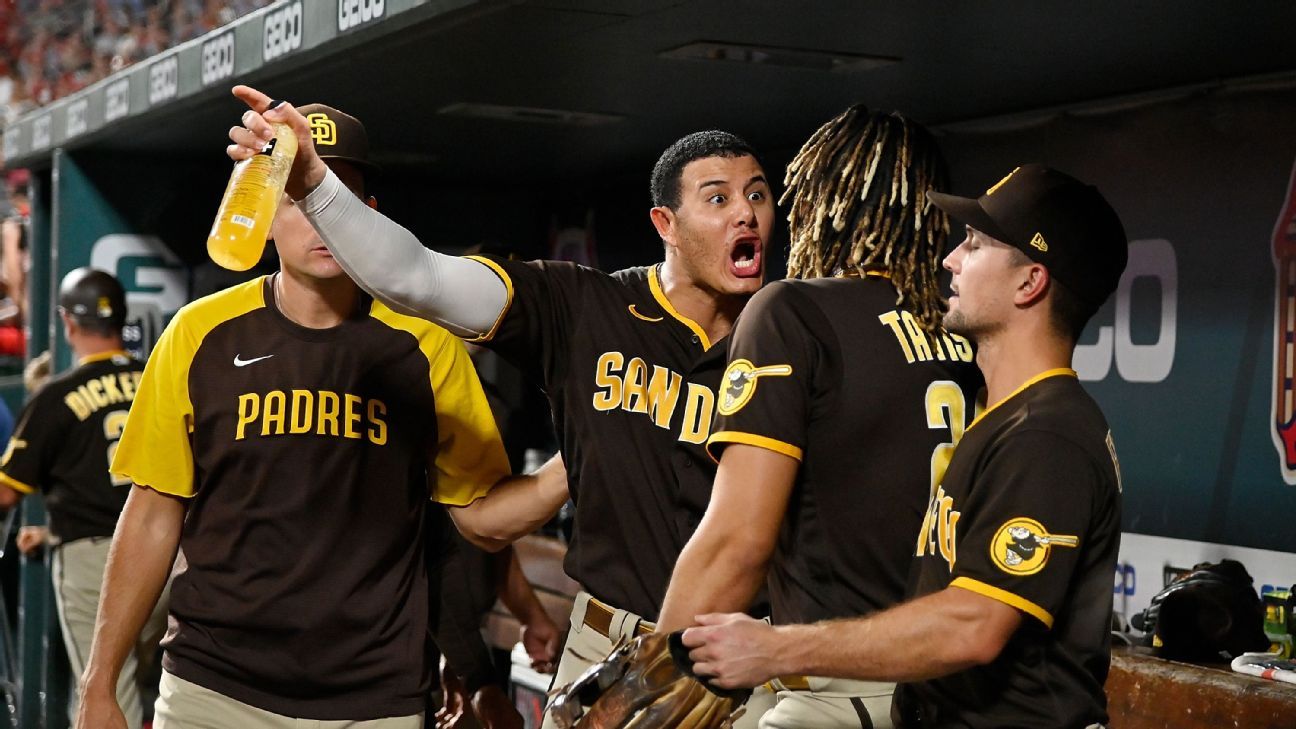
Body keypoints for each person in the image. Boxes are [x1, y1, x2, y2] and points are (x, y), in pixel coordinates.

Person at [223, 85, 778, 726]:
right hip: (612, 643)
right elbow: (418, 278)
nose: (746, 214)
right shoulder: (581, 304)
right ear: (665, 225)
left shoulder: (788, 334)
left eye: (758, 195)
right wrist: (316, 183)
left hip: (743, 650)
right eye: (719, 198)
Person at [76, 102, 569, 729]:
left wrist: (575, 460)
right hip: (214, 689)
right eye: (295, 198)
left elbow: (483, 519)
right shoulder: (200, 334)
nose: (316, 218)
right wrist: (99, 685)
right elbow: (150, 515)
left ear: (369, 213)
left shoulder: (426, 345)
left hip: (373, 700)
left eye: (332, 195)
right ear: (263, 214)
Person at [679, 163, 1128, 729]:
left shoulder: (1047, 435)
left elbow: (973, 625)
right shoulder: (1006, 418)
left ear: (1028, 282)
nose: (950, 260)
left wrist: (777, 649)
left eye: (975, 244)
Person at [650, 107, 981, 729]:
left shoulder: (793, 311)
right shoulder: (971, 324)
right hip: (950, 686)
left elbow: (737, 544)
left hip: (839, 683)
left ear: (822, 195)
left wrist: (655, 678)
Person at [0, 267, 167, 729]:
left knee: (104, 694)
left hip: (98, 565)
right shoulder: (158, 379)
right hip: (170, 559)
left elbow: (6, 493)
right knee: (162, 695)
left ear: (68, 323)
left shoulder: (58, 394)